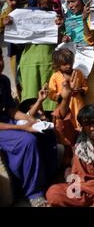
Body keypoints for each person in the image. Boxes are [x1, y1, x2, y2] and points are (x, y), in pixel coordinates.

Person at [0, 48, 57, 207]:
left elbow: (11, 110)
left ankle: (47, 180)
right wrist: (23, 128)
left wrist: (29, 119)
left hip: (6, 121)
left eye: (0, 59)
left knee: (46, 131)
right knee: (27, 140)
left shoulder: (3, 80)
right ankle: (34, 193)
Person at [3, 0, 58, 112]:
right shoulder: (21, 16)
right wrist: (10, 26)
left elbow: (60, 42)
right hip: (29, 65)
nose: (51, 1)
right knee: (31, 100)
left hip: (50, 63)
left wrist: (60, 28)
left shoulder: (54, 16)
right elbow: (16, 45)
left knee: (50, 98)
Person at [48, 48, 87, 129]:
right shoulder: (55, 76)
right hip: (64, 105)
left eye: (70, 63)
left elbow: (85, 87)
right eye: (65, 64)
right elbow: (51, 94)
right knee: (66, 125)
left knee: (81, 123)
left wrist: (80, 90)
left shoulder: (78, 73)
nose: (68, 66)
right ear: (58, 64)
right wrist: (62, 95)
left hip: (78, 104)